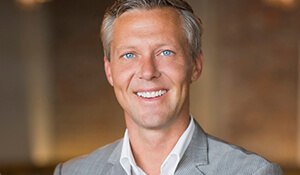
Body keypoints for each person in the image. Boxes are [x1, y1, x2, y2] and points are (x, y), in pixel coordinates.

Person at [54, 0, 282, 174]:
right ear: (109, 71)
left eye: (165, 52)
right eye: (129, 54)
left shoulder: (251, 172)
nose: (147, 71)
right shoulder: (73, 172)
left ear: (196, 65)